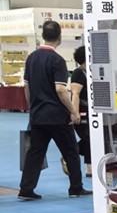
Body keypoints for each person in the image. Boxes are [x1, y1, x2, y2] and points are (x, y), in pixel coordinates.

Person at [18, 20, 91, 200]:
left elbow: (26, 87)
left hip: (38, 115)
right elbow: (60, 89)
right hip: (57, 116)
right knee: (71, 151)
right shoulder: (57, 60)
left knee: (35, 153)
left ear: (43, 36)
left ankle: (26, 189)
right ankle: (75, 187)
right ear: (59, 37)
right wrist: (73, 111)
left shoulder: (31, 58)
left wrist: (32, 107)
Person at [69, 45, 91, 177]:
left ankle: (69, 155)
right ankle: (89, 167)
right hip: (82, 111)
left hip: (91, 112)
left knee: (89, 138)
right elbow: (75, 94)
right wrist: (75, 112)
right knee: (88, 138)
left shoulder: (90, 72)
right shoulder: (78, 73)